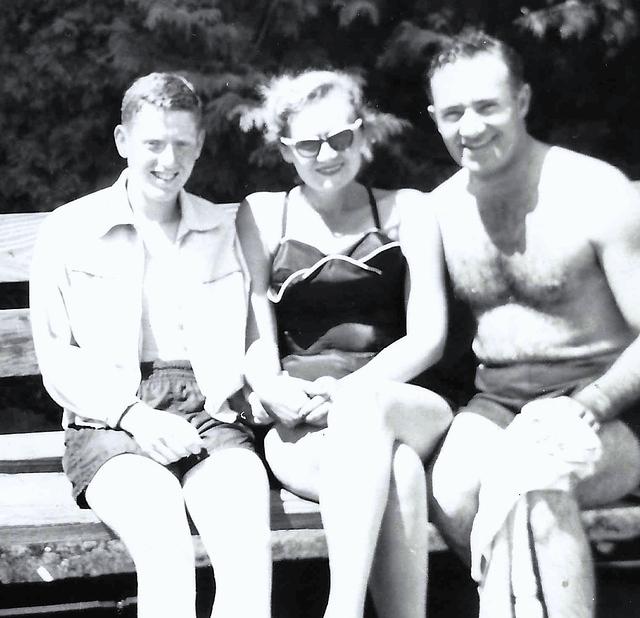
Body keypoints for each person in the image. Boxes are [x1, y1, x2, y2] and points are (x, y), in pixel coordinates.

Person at [30, 73, 271, 618]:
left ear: (200, 146)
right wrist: (133, 414)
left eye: (182, 144)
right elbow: (56, 359)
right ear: (122, 142)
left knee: (245, 539)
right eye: (153, 144)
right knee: (162, 529)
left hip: (209, 413)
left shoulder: (222, 228)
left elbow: (253, 336)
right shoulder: (71, 229)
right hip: (107, 418)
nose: (168, 160)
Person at [425, 30, 640, 618]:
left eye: (487, 106)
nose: (470, 127)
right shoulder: (439, 210)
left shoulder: (594, 191)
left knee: (536, 475)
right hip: (499, 404)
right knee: (449, 489)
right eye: (453, 113)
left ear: (521, 102)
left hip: (613, 406)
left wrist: (591, 403)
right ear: (434, 118)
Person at [237, 69, 452, 618]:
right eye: (308, 143)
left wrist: (350, 392)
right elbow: (255, 331)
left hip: (400, 402)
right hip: (301, 418)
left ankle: (344, 609)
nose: (326, 154)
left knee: (369, 412)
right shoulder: (263, 215)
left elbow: (428, 337)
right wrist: (270, 386)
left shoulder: (410, 209)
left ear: (364, 134)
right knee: (400, 472)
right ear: (286, 150)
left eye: (340, 137)